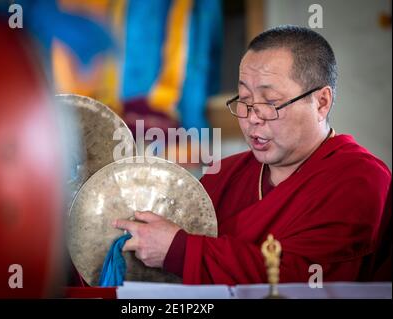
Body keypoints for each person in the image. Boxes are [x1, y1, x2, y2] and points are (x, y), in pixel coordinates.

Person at [113, 25, 392, 285]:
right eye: (244, 101)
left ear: (321, 102)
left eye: (270, 103)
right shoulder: (223, 175)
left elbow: (304, 278)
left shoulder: (360, 178)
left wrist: (181, 251)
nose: (251, 119)